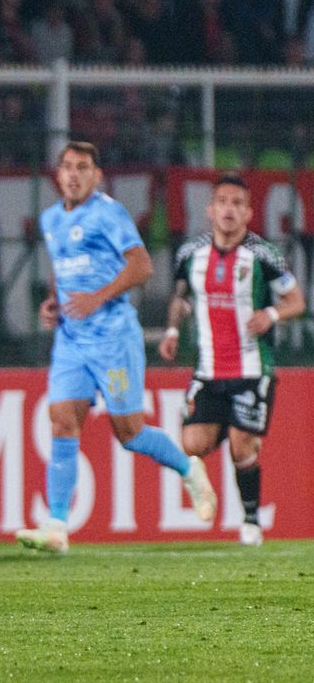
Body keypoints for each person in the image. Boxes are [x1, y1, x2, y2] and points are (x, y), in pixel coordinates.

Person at [16, 141, 217, 554]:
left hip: (113, 338)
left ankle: (187, 468)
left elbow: (143, 266)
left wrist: (98, 297)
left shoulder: (108, 213)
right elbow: (64, 267)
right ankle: (57, 525)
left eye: (82, 167)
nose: (73, 174)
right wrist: (54, 302)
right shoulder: (51, 219)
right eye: (67, 167)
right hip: (71, 339)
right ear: (58, 175)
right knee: (61, 422)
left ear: (96, 175)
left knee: (129, 432)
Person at [157, 174, 305, 546]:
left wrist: (270, 315)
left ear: (249, 212)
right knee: (191, 444)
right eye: (222, 201)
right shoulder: (190, 254)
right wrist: (173, 330)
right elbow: (180, 297)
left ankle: (251, 521)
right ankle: (227, 425)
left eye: (238, 203)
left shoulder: (265, 255)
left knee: (243, 446)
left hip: (253, 369)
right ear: (210, 210)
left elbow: (297, 302)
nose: (229, 209)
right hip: (209, 369)